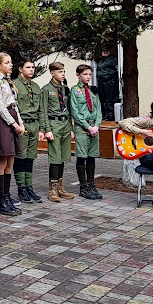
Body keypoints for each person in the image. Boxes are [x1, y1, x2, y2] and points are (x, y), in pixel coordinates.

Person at [0, 52, 22, 216]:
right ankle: (0, 198)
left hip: (12, 117)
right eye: (7, 62)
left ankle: (7, 196)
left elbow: (14, 104)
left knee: (10, 160)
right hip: (3, 121)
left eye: (10, 62)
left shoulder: (8, 81)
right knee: (1, 160)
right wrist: (13, 124)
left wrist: (20, 122)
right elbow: (0, 106)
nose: (11, 65)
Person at [40, 62, 76, 202]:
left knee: (63, 157)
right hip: (54, 125)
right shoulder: (46, 89)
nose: (63, 74)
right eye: (60, 71)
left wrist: (71, 128)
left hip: (65, 125)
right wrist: (47, 130)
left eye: (64, 71)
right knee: (55, 158)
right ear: (52, 73)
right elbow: (43, 111)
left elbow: (69, 110)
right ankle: (52, 189)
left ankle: (60, 187)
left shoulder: (65, 88)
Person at [70, 64, 103, 200]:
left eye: (90, 74)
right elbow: (75, 111)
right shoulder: (75, 90)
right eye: (85, 74)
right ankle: (83, 187)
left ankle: (91, 184)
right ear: (78, 75)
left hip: (94, 127)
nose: (88, 77)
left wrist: (96, 125)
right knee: (82, 157)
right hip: (82, 128)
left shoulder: (93, 91)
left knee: (91, 157)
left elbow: (99, 110)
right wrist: (87, 127)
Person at [13, 59, 44, 204]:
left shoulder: (36, 86)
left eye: (33, 67)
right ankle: (22, 189)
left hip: (34, 124)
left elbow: (41, 109)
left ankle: (29, 187)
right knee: (21, 157)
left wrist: (42, 128)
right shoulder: (14, 85)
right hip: (22, 123)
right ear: (20, 69)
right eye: (28, 67)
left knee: (30, 158)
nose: (31, 70)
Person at [95, 48, 119, 121]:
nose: (105, 53)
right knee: (103, 98)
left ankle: (110, 115)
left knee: (109, 98)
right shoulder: (101, 60)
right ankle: (106, 114)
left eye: (106, 51)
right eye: (103, 51)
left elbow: (115, 69)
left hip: (108, 81)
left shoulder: (111, 60)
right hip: (102, 81)